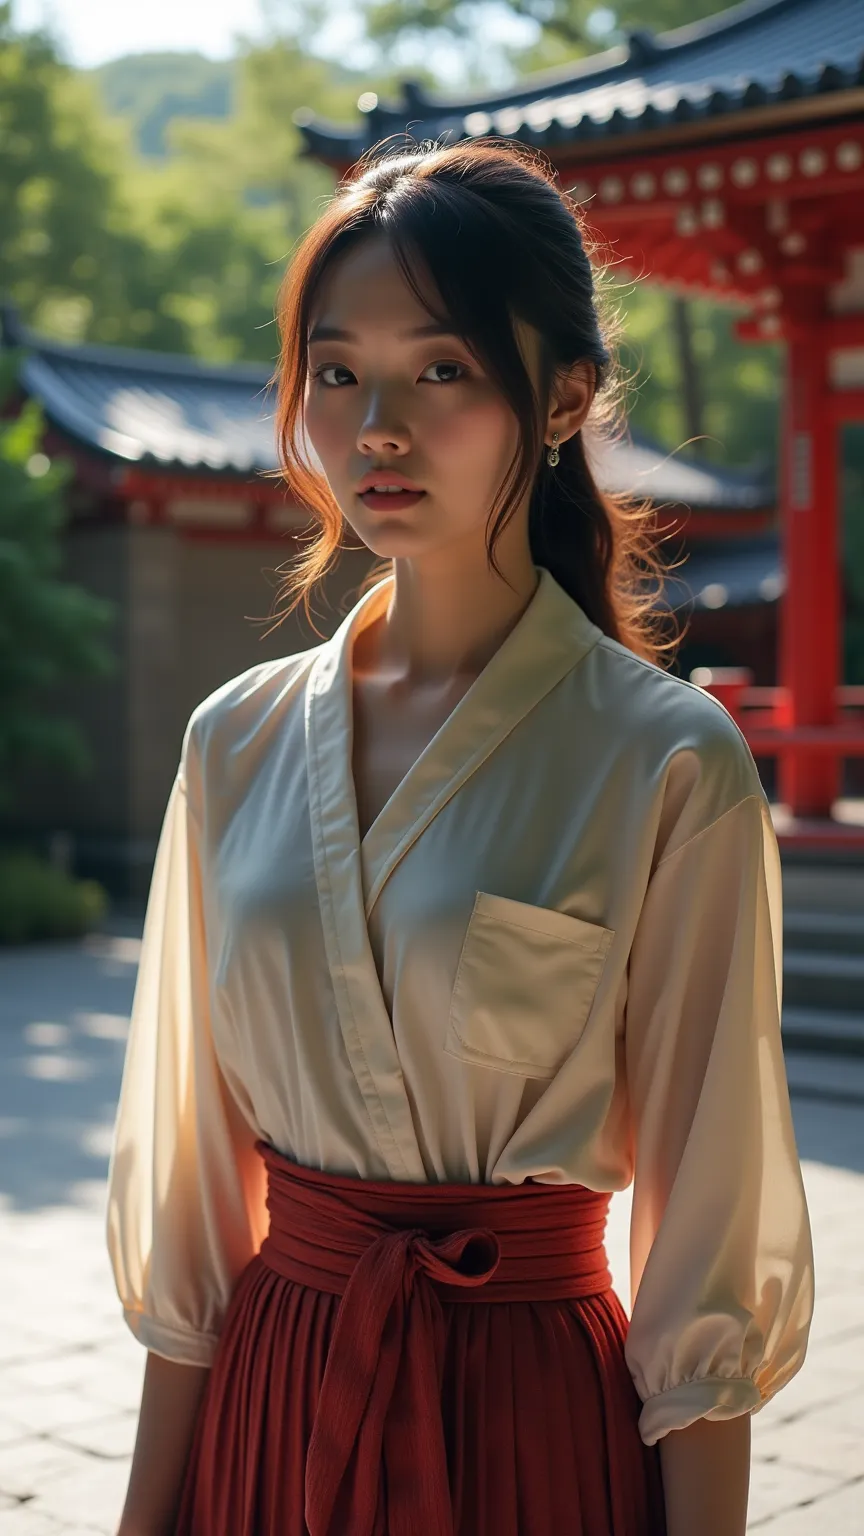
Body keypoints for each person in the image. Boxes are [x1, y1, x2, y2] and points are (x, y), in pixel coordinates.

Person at [107, 137, 814, 1536]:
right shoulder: (231, 744)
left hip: (526, 1422)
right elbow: (192, 1210)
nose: (378, 426)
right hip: (273, 1401)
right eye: (336, 371)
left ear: (559, 396)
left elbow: (706, 1253)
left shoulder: (667, 763)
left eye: (442, 370)